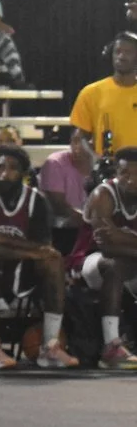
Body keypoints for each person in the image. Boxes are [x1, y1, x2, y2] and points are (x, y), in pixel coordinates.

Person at [0, 143, 68, 370]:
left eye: (12, 168)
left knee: (53, 261)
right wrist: (28, 250)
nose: (4, 174)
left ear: (24, 173)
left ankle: (50, 346)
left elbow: (43, 248)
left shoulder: (35, 200)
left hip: (20, 270)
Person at [73, 148, 137, 369]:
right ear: (115, 173)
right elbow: (107, 246)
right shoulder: (103, 195)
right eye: (124, 173)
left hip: (131, 262)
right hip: (90, 261)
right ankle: (111, 347)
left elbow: (116, 240)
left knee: (120, 264)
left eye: (136, 174)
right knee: (114, 265)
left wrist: (122, 237)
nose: (130, 179)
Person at [69, 34, 137, 162]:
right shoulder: (91, 92)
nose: (121, 56)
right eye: (117, 51)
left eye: (128, 52)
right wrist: (96, 161)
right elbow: (79, 137)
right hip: (109, 170)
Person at [40, 130, 97, 232]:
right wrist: (89, 221)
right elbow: (59, 207)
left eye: (85, 142)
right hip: (62, 228)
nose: (78, 147)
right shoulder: (55, 163)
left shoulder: (101, 165)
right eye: (75, 141)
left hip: (92, 226)